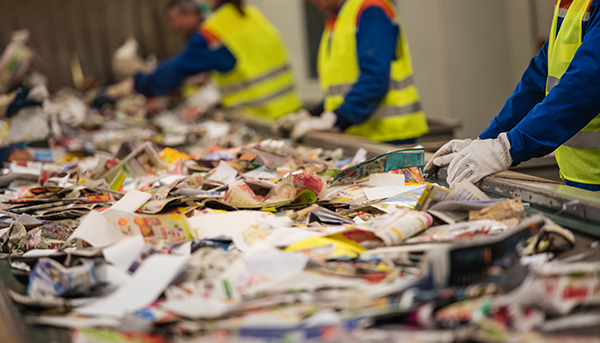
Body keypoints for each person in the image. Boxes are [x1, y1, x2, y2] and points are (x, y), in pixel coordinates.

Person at [426, 0, 600, 191]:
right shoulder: (572, 3)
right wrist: (486, 142)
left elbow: (584, 85)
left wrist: (508, 147)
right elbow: (538, 78)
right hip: (582, 183)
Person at [276, 0, 428, 143]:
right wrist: (313, 114)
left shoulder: (370, 9)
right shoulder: (340, 18)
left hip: (390, 139)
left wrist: (336, 119)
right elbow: (341, 90)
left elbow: (374, 80)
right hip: (364, 138)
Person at [132, 0, 302, 120]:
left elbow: (174, 71)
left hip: (257, 119)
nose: (173, 27)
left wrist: (137, 82)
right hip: (290, 114)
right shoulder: (254, 14)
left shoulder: (212, 32)